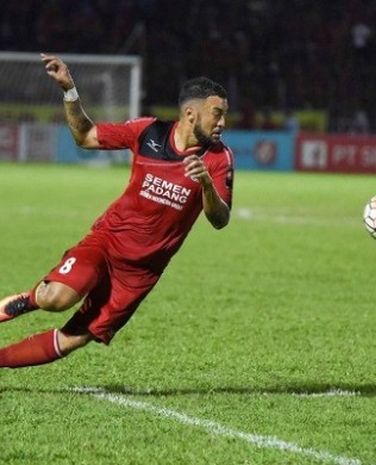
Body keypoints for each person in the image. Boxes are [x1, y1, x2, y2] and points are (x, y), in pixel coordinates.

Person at [0, 54, 234, 368]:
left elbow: (220, 220)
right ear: (191, 114)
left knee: (75, 337)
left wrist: (206, 184)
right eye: (216, 114)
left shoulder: (219, 158)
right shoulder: (147, 132)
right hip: (107, 244)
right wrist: (70, 90)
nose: (222, 123)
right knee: (54, 298)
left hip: (140, 274)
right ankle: (30, 299)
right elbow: (86, 136)